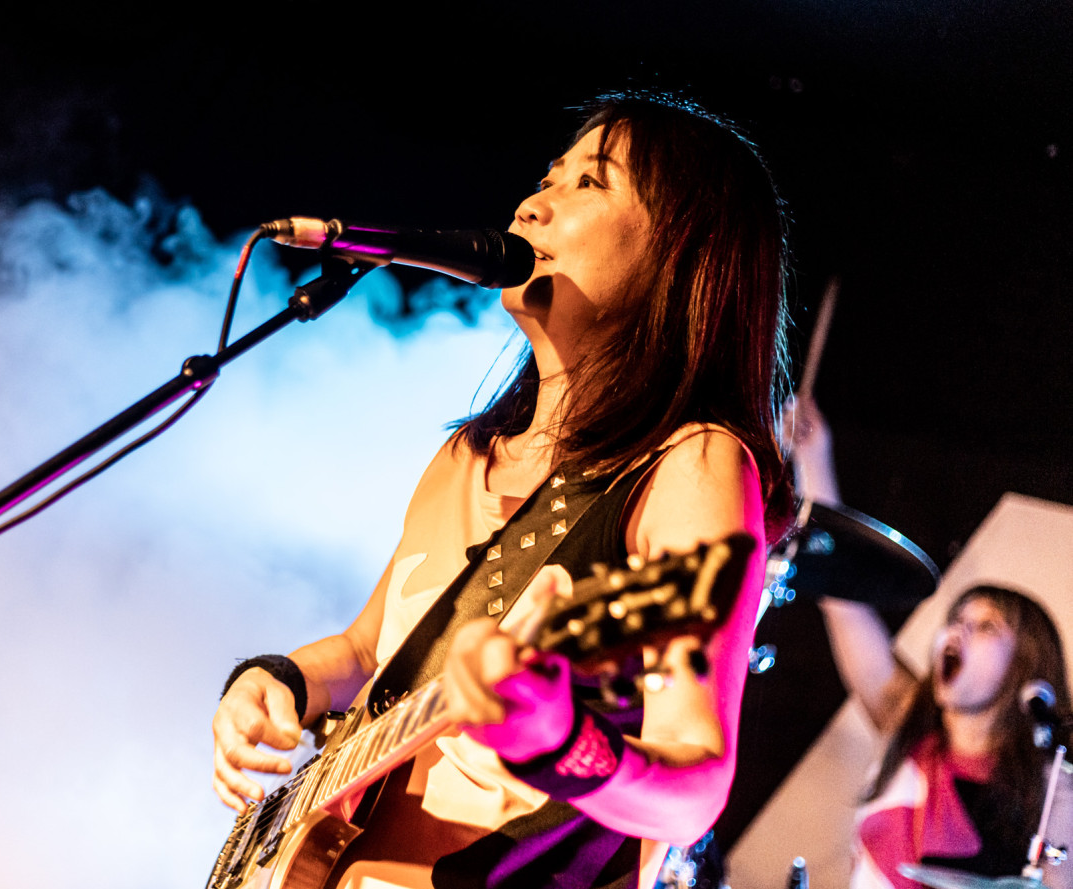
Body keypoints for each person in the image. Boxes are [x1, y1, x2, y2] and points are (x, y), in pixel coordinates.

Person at [212, 95, 793, 889]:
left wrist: (562, 741)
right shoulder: (467, 454)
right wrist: (272, 681)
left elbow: (694, 791)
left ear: (681, 255)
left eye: (590, 183)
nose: (533, 203)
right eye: (546, 176)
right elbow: (363, 654)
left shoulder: (691, 464)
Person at [791, 397, 1071, 889]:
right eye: (955, 619)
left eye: (985, 627)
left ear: (1027, 665)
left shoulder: (1050, 793)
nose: (956, 632)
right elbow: (842, 597)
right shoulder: (907, 722)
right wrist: (814, 459)